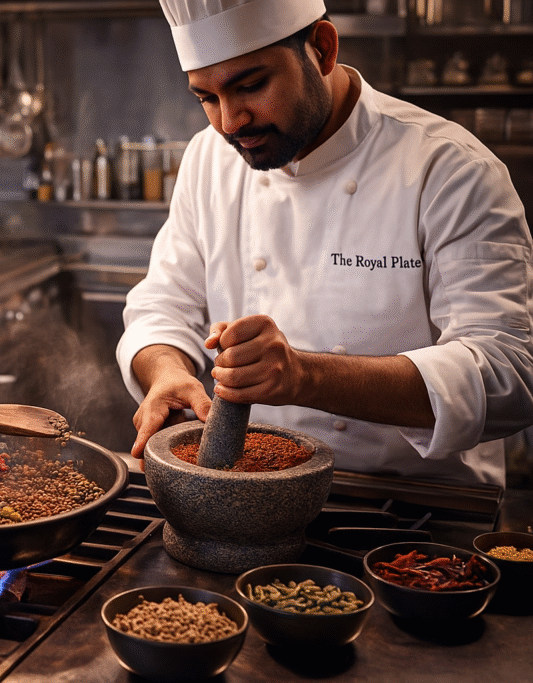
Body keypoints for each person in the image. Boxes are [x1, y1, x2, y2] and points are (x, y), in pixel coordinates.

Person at [117, 0, 533, 487]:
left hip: (419, 510)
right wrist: (165, 372)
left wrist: (304, 376)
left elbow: (509, 373)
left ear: (322, 49)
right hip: (253, 496)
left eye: (250, 85)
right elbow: (163, 304)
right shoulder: (208, 159)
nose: (230, 122)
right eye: (206, 97)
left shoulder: (450, 170)